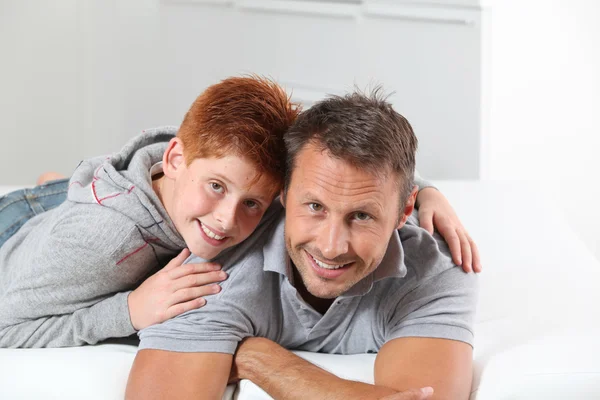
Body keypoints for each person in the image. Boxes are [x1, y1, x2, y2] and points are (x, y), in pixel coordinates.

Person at [126, 90, 479, 399]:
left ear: (404, 211)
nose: (331, 246)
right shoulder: (210, 277)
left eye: (362, 216)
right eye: (314, 207)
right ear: (282, 194)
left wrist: (260, 358)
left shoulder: (434, 270)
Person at [0, 76, 299, 348]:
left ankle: (53, 185)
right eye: (217, 187)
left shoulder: (203, 165)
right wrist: (127, 311)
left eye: (251, 204)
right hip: (12, 231)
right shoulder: (105, 243)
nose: (227, 219)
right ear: (174, 159)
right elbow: (5, 330)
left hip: (92, 204)